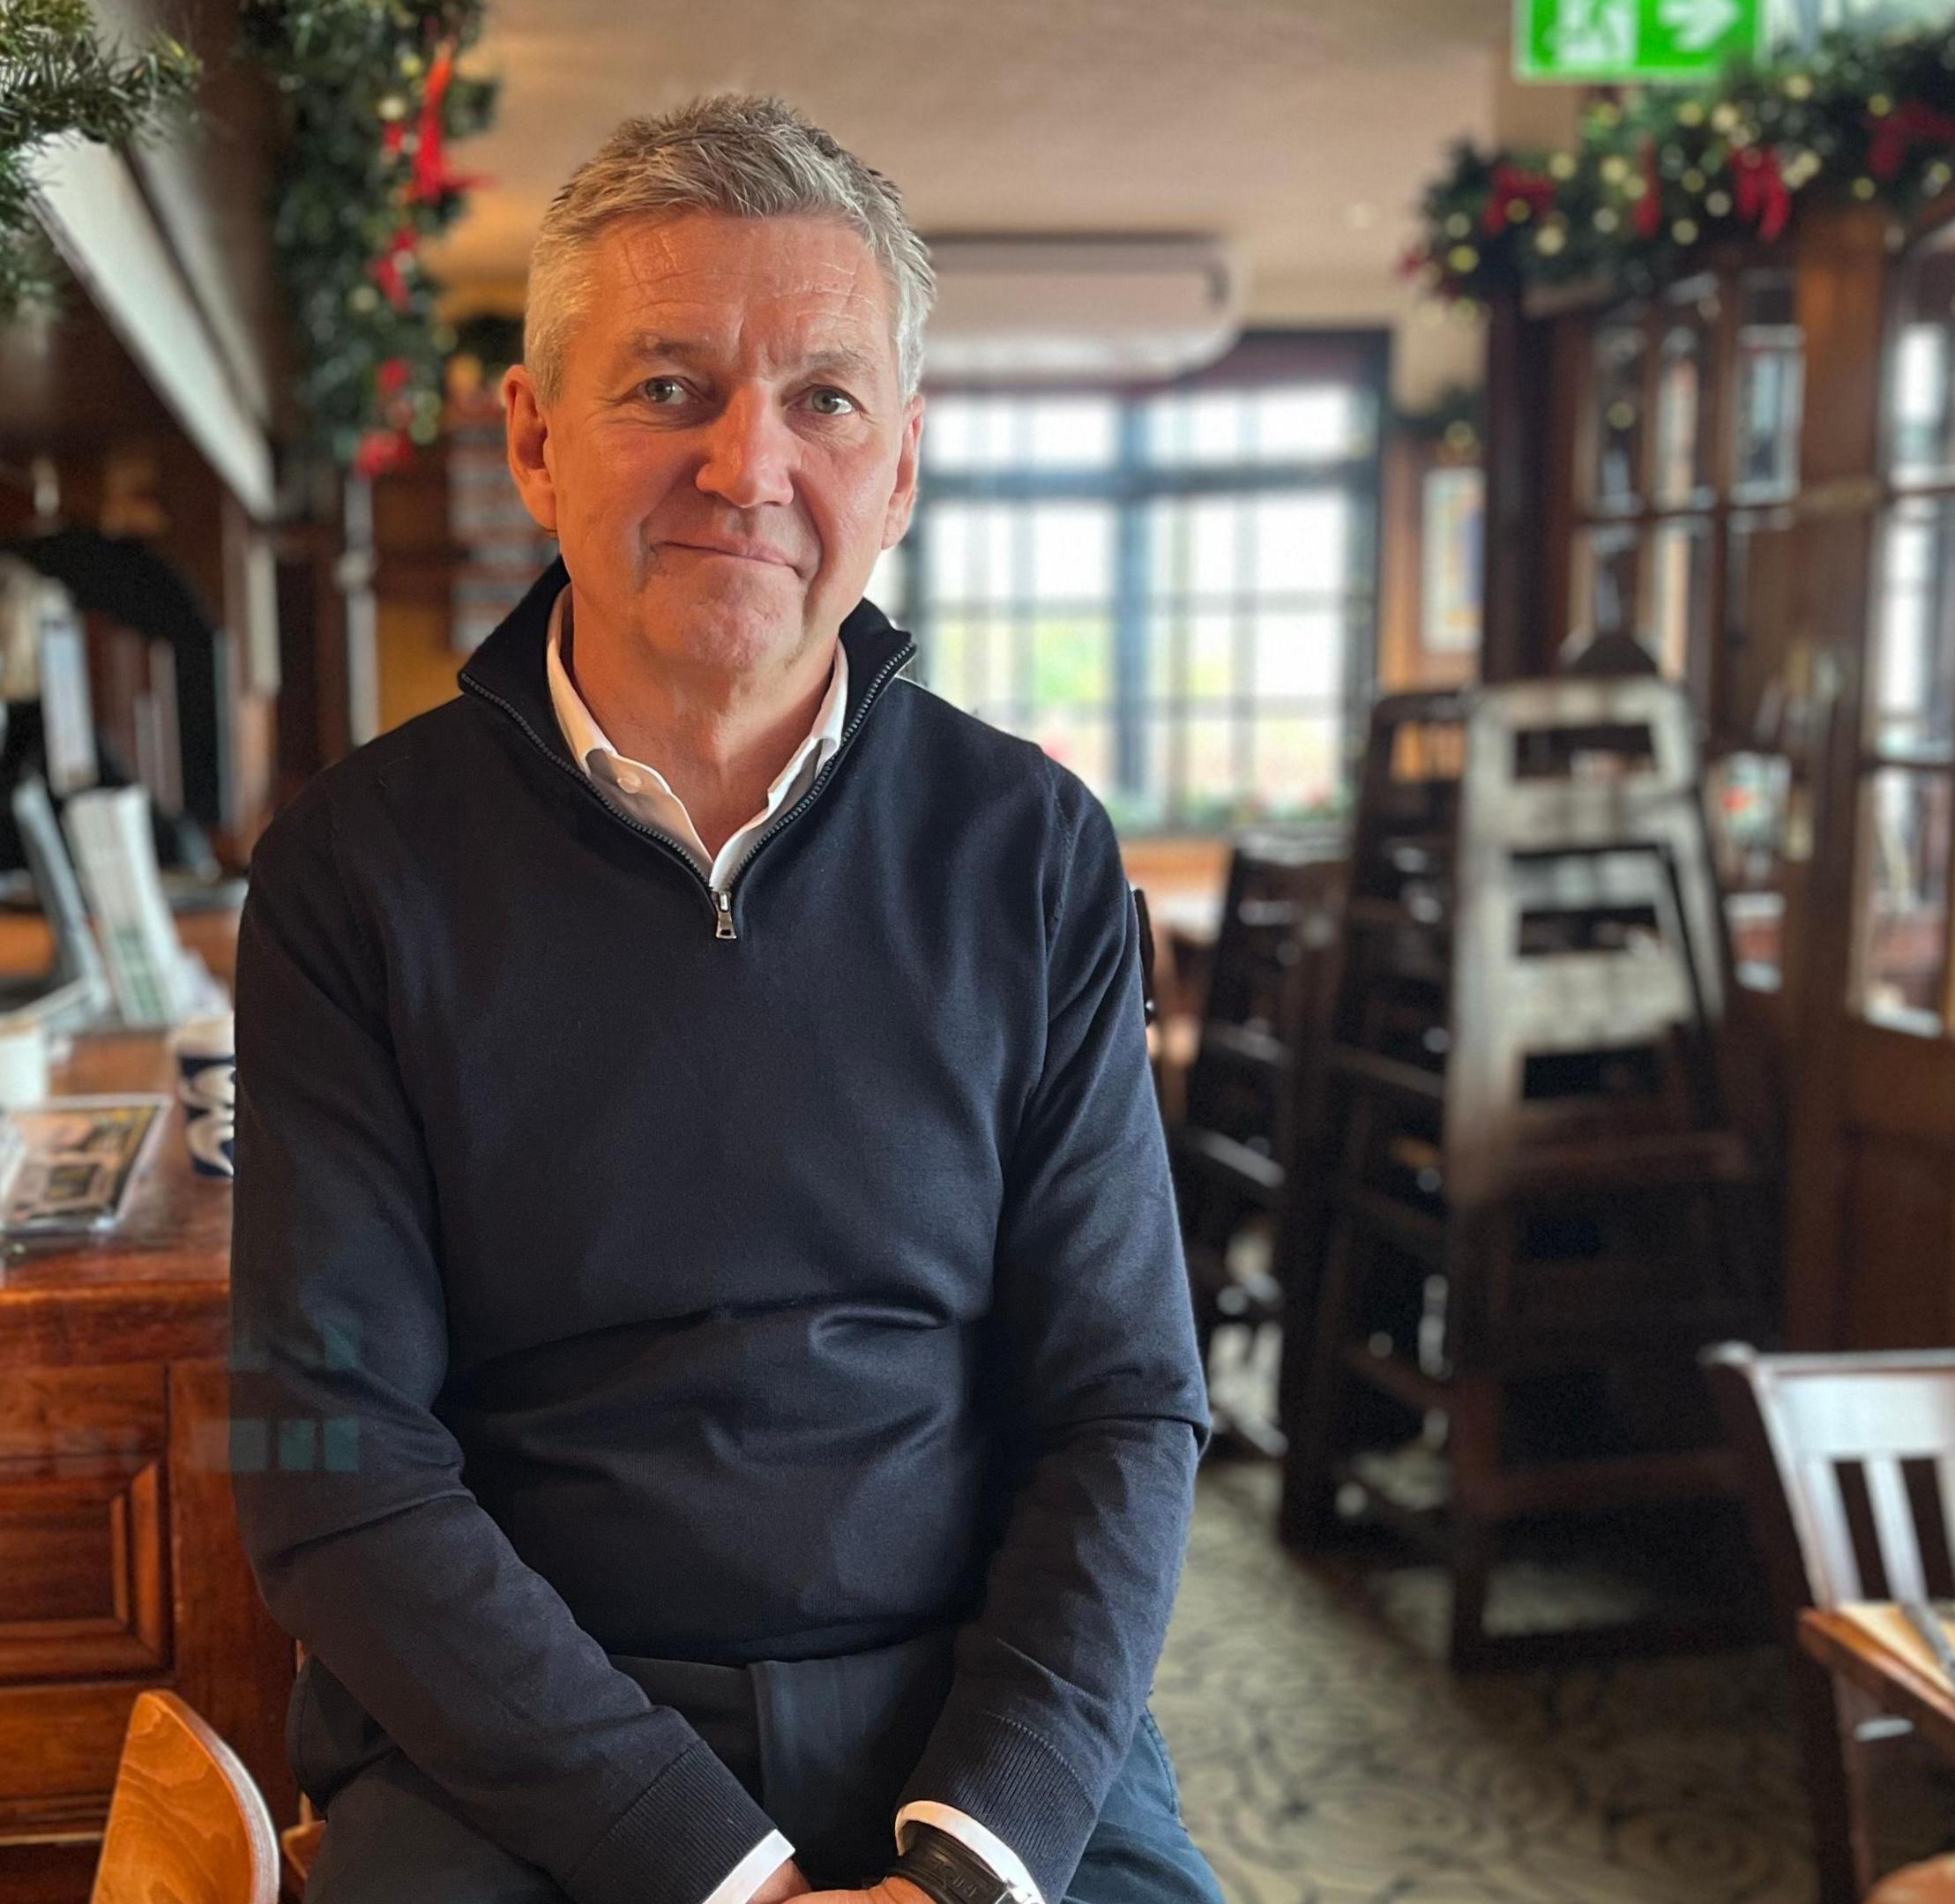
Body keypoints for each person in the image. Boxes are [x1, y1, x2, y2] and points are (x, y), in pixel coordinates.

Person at [230, 93, 1220, 1904]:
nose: (749, 467)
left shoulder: (1034, 852)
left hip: (960, 1717)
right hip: (524, 1752)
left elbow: (1126, 1403)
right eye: (669, 386)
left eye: (825, 399)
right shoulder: (354, 872)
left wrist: (978, 1852)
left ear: (901, 467)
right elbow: (331, 1458)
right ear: (534, 437)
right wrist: (718, 1874)